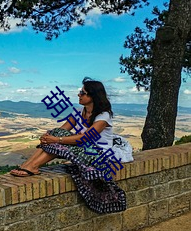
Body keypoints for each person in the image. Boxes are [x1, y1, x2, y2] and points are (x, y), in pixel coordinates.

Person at [10, 77, 133, 213]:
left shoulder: (103, 116)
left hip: (98, 153)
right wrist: (48, 137)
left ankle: (32, 166)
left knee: (57, 140)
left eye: (82, 93)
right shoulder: (79, 112)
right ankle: (29, 165)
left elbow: (86, 138)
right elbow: (62, 130)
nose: (79, 95)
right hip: (84, 148)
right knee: (55, 134)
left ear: (93, 96)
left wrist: (56, 139)